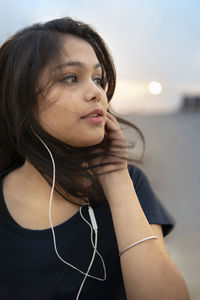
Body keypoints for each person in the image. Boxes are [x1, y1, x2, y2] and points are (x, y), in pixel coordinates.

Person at [0, 17, 189, 300]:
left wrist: (116, 178)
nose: (96, 93)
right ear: (21, 98)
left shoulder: (131, 184)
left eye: (98, 79)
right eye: (70, 78)